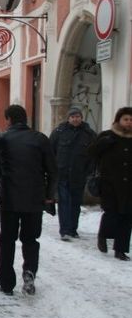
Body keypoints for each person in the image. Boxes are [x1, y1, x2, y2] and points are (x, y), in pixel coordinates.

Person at [0, 105, 57, 296]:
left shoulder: (3, 139)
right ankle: (29, 272)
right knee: (30, 239)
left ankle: (6, 283)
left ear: (9, 120)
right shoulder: (40, 139)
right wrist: (48, 195)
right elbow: (53, 170)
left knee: (7, 239)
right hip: (34, 199)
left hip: (9, 199)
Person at [87, 107, 132, 261]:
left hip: (129, 186)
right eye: (126, 119)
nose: (129, 123)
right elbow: (91, 152)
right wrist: (103, 143)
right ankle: (103, 235)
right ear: (118, 120)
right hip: (109, 184)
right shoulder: (107, 136)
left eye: (131, 120)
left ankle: (120, 250)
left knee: (127, 217)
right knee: (111, 214)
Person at [49, 107, 96, 241]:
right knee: (64, 202)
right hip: (62, 173)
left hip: (79, 174)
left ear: (82, 118)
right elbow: (51, 151)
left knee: (75, 203)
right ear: (68, 118)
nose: (76, 119)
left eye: (78, 117)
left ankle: (73, 229)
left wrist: (89, 171)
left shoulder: (89, 134)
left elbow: (94, 155)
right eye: (73, 117)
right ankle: (64, 230)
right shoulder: (59, 132)